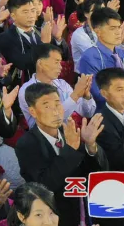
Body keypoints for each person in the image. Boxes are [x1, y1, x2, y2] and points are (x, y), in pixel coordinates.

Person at [16, 82, 109, 226]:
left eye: (57, 104)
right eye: (46, 106)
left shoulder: (69, 134)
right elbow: (44, 186)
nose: (55, 111)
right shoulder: (27, 144)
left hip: (79, 211)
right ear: (33, 112)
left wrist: (90, 145)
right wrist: (70, 150)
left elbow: (92, 175)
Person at [77, 7, 124, 106]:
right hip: (104, 114)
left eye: (119, 27)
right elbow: (98, 96)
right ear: (97, 31)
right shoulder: (89, 57)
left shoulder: (122, 53)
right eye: (112, 28)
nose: (118, 32)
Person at [16, 44, 95, 128]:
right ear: (40, 63)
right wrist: (75, 95)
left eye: (60, 63)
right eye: (56, 62)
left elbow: (88, 113)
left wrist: (86, 96)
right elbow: (50, 121)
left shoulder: (62, 84)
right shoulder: (26, 90)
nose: (60, 67)